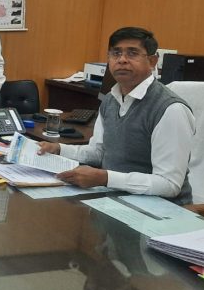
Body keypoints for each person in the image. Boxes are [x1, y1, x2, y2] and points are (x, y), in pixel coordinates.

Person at [38, 27, 194, 204]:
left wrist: (105, 178)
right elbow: (99, 153)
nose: (122, 60)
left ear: (152, 61)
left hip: (162, 210)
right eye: (116, 53)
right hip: (115, 200)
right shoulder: (110, 99)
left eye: (132, 53)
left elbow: (169, 185)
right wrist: (58, 149)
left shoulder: (170, 109)